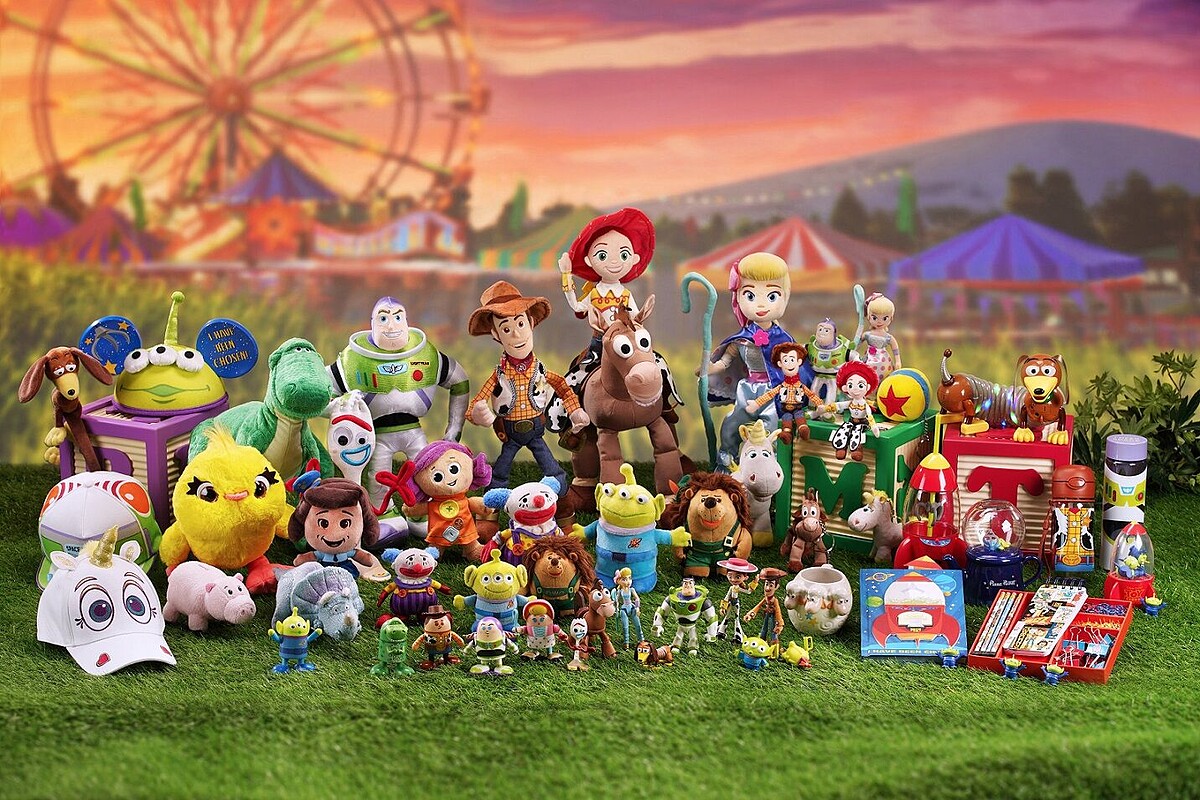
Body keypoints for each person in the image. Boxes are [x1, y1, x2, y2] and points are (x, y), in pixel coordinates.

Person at [328, 297, 469, 506]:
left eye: (397, 317)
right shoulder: (353, 359)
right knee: (379, 479)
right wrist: (343, 404)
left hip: (414, 431)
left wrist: (454, 430)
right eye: (383, 318)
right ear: (373, 323)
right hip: (377, 434)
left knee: (426, 471)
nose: (391, 326)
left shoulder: (425, 354)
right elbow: (324, 389)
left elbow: (460, 381)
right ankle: (383, 511)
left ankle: (423, 511)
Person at [466, 281, 589, 490]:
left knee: (548, 463)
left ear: (530, 323)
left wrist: (575, 411)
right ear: (496, 334)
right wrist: (477, 414)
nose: (516, 334)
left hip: (536, 428)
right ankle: (496, 493)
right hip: (509, 432)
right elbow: (476, 402)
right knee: (503, 466)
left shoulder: (540, 370)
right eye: (506, 328)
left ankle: (557, 487)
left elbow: (563, 388)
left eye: (520, 324)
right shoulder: (499, 375)